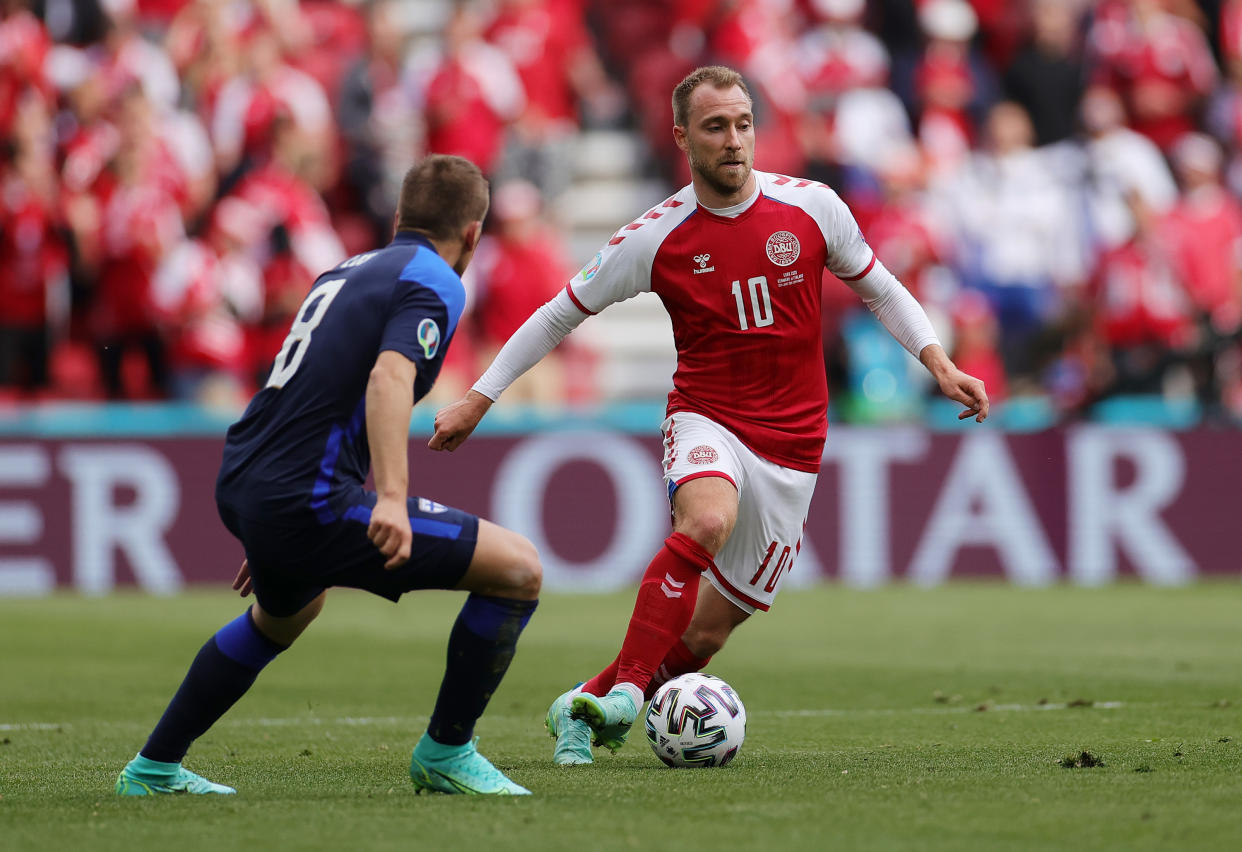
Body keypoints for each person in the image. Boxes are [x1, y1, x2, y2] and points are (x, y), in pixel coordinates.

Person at [430, 66, 989, 766]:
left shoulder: (813, 208)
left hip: (793, 447)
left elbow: (880, 288)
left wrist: (939, 362)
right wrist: (480, 396)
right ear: (681, 137)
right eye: (716, 126)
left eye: (744, 123)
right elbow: (559, 313)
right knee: (705, 521)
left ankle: (583, 704)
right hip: (708, 418)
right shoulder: (655, 237)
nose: (734, 140)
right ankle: (630, 695)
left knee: (708, 636)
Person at [115, 155, 542, 796]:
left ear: (399, 217)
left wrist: (272, 521)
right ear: (474, 236)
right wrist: (391, 499)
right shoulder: (435, 282)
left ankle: (153, 768)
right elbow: (389, 378)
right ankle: (448, 752)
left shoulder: (345, 269)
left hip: (248, 473)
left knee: (286, 614)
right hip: (301, 495)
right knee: (519, 569)